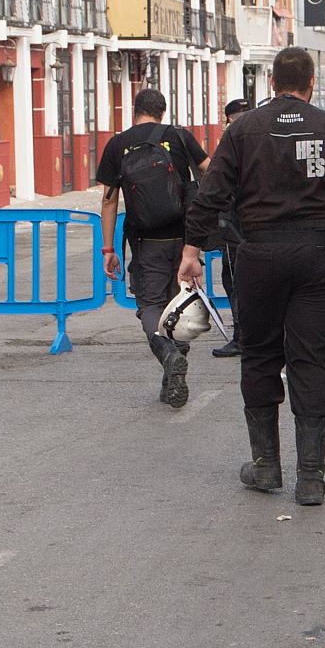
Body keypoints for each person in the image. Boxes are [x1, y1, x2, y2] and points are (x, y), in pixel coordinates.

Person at [179, 47, 325, 506]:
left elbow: (210, 195)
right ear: (311, 82)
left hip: (258, 258)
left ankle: (267, 466)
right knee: (309, 360)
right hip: (318, 259)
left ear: (272, 83)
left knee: (258, 355)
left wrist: (192, 252)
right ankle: (311, 478)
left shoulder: (244, 131)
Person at [96, 88, 210, 408]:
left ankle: (168, 357)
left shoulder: (118, 145)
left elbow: (108, 201)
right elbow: (210, 171)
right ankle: (173, 373)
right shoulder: (179, 137)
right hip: (186, 242)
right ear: (162, 111)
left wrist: (109, 249)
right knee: (182, 307)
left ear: (135, 111)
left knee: (150, 307)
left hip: (147, 243)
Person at [210, 99, 250, 358]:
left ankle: (242, 338)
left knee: (236, 281)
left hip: (237, 224)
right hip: (259, 223)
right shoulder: (263, 136)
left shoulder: (231, 141)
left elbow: (217, 182)